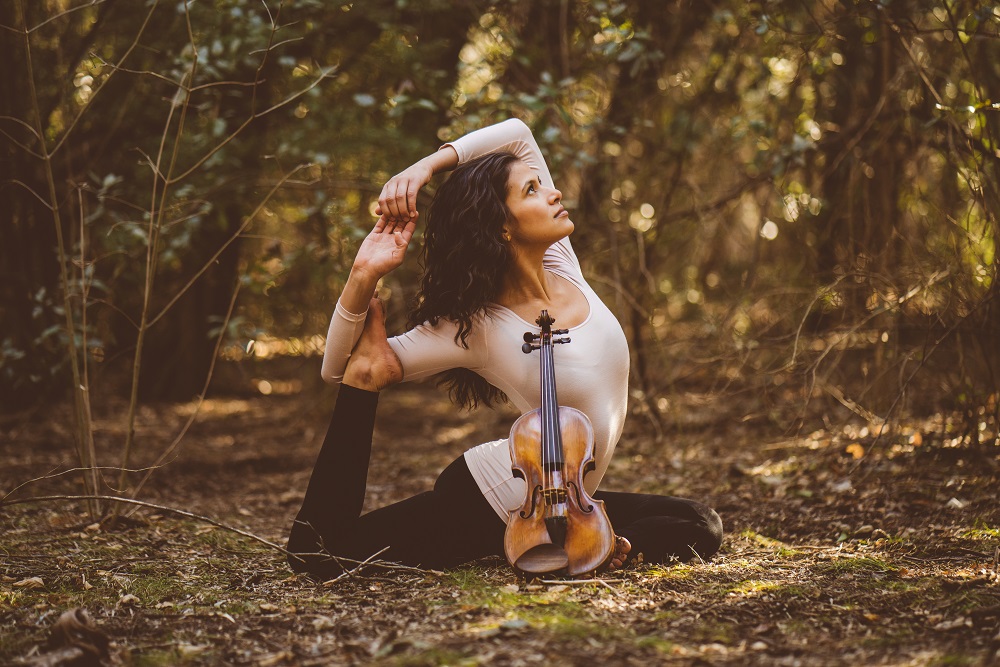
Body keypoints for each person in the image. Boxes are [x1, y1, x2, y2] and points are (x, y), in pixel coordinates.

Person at [286, 119, 722, 578]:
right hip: (491, 500)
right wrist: (363, 276)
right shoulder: (477, 325)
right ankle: (569, 544)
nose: (553, 192)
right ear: (501, 228)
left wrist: (425, 167)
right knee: (321, 556)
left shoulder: (562, 263)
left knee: (699, 523)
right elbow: (336, 370)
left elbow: (517, 133)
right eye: (532, 190)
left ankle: (610, 546)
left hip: (568, 496)